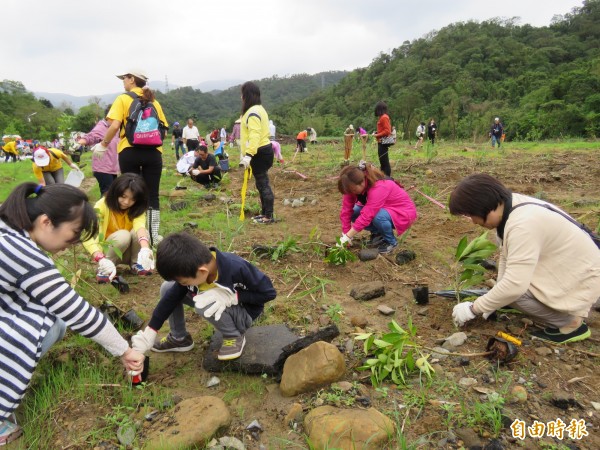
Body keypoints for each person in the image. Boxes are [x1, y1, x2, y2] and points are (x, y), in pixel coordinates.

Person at [0, 183, 144, 445]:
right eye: (71, 236)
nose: (68, 246)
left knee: (52, 320)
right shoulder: (20, 251)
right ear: (46, 222)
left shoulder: (6, 227)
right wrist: (124, 350)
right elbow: (75, 310)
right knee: (44, 320)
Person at [449, 173, 600, 343]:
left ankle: (571, 324)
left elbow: (514, 286)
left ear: (481, 206)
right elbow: (506, 257)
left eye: (470, 214)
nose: (472, 221)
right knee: (507, 292)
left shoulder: (522, 225)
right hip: (574, 266)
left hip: (585, 276)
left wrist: (474, 308)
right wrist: (493, 301)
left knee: (515, 295)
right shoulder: (511, 205)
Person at [130, 232, 276, 361]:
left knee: (203, 303)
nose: (182, 284)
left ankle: (234, 336)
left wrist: (234, 297)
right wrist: (151, 330)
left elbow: (269, 293)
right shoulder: (192, 267)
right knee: (168, 288)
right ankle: (179, 338)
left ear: (202, 270)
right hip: (215, 303)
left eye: (184, 281)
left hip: (243, 313)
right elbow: (170, 298)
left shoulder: (236, 268)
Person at [94, 70, 169, 248]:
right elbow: (163, 129)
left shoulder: (123, 99)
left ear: (132, 80)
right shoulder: (154, 101)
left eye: (125, 79)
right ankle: (151, 235)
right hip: (153, 152)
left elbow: (115, 125)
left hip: (129, 150)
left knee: (129, 192)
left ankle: (130, 231)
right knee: (152, 194)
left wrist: (104, 144)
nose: (123, 82)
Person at [83, 173, 154, 283]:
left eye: (132, 199)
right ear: (115, 192)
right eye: (123, 196)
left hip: (128, 252)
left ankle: (137, 263)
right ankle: (105, 268)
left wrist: (145, 249)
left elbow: (139, 227)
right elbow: (86, 232)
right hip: (109, 251)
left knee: (141, 233)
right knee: (123, 235)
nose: (126, 202)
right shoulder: (102, 205)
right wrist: (98, 257)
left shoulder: (137, 209)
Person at [338, 162, 417, 255]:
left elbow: (367, 215)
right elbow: (346, 211)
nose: (352, 193)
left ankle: (391, 243)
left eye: (354, 190)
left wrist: (347, 236)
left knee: (377, 216)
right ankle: (378, 235)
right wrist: (345, 235)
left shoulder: (379, 186)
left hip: (402, 213)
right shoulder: (351, 186)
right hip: (383, 210)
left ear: (362, 182)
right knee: (354, 212)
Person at [239, 82, 276, 224]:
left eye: (242, 94)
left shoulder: (253, 112)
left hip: (259, 152)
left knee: (263, 184)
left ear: (246, 95)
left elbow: (255, 135)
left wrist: (248, 155)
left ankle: (269, 216)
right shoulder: (259, 109)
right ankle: (265, 213)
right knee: (261, 184)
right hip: (263, 150)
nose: (241, 97)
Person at [77, 105, 120, 196]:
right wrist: (80, 142)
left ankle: (108, 210)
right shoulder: (102, 127)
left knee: (113, 194)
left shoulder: (116, 128)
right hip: (102, 168)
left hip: (112, 168)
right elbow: (91, 137)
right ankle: (100, 210)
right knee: (107, 194)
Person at [373, 101, 393, 176]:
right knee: (382, 161)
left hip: (383, 142)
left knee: (384, 161)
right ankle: (383, 176)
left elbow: (387, 131)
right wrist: (377, 133)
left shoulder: (384, 117)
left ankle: (387, 177)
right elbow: (383, 129)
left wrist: (377, 135)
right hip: (381, 142)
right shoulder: (382, 117)